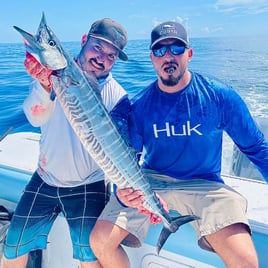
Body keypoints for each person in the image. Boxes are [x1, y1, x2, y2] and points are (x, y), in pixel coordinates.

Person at [90, 21, 268, 268]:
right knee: (99, 241)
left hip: (205, 185)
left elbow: (256, 148)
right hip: (151, 182)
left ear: (190, 54)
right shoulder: (139, 105)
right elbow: (127, 159)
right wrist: (122, 194)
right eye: (160, 50)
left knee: (246, 261)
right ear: (152, 58)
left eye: (176, 48)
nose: (168, 56)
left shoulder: (219, 96)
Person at [1, 18, 130, 268]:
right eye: (98, 47)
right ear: (84, 40)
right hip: (45, 177)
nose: (102, 58)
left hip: (88, 183)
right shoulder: (48, 73)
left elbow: (121, 152)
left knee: (89, 257)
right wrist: (42, 85)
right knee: (12, 248)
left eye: (111, 55)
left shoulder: (118, 97)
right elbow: (35, 116)